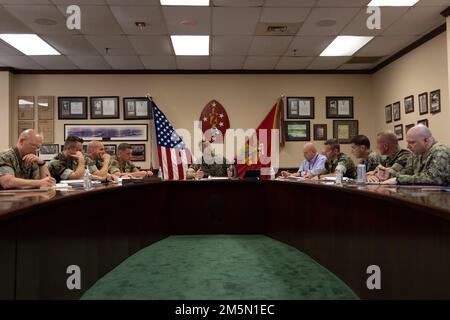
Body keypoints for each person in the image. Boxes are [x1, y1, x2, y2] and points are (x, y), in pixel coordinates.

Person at [383, 125, 450, 186]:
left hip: (442, 197)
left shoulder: (440, 151)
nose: (408, 146)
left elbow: (432, 179)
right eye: (408, 142)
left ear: (426, 141)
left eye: (412, 142)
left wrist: (398, 179)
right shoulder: (416, 154)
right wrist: (388, 174)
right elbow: (407, 173)